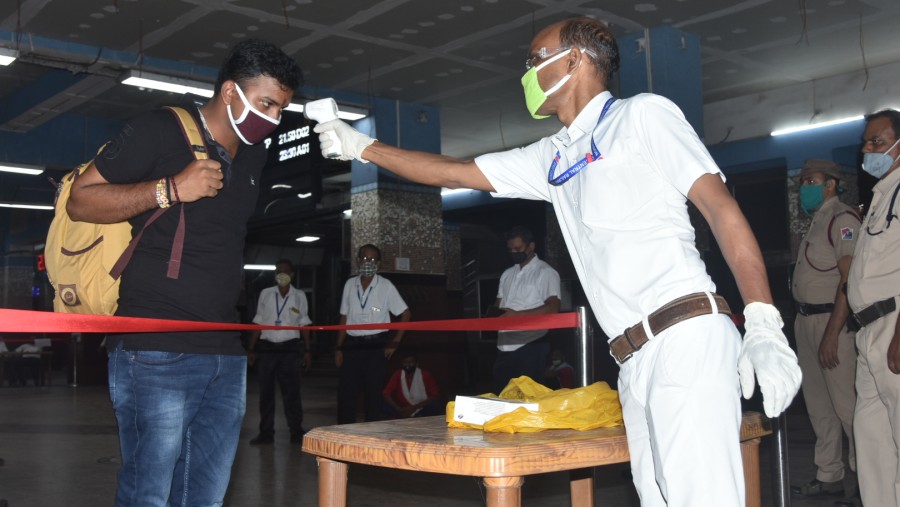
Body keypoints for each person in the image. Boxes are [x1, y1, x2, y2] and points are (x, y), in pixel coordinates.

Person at [313, 17, 801, 505]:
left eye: (535, 59)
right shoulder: (553, 157)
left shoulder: (642, 115)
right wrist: (362, 146)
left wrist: (762, 319)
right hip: (632, 360)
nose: (527, 73)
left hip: (684, 337)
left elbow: (720, 208)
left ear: (575, 60)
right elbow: (457, 172)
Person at [67, 39, 303, 506]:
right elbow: (81, 200)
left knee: (205, 498)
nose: (274, 118)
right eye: (267, 104)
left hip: (225, 352)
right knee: (149, 496)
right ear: (231, 91)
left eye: (282, 109)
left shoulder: (254, 154)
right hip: (155, 348)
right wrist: (170, 189)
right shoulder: (161, 129)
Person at [789, 159, 860, 500]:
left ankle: (867, 481)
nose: (804, 188)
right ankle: (829, 474)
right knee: (819, 406)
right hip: (807, 322)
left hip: (832, 322)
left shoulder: (842, 219)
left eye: (811, 181)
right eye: (803, 182)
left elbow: (849, 280)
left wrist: (832, 333)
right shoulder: (817, 221)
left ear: (830, 184)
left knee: (847, 407)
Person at [845, 108, 900, 507]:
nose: (868, 149)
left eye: (877, 142)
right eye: (865, 143)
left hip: (893, 325)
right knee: (872, 442)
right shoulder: (880, 196)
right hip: (867, 332)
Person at [335, 244, 412, 423]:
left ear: (378, 263)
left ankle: (371, 433)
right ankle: (343, 433)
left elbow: (406, 313)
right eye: (364, 258)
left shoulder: (386, 286)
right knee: (346, 393)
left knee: (373, 394)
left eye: (372, 259)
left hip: (376, 347)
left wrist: (394, 343)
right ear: (357, 261)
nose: (367, 262)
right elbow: (344, 316)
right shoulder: (349, 284)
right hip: (352, 345)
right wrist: (338, 347)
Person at [247, 259, 313, 445]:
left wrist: (308, 350)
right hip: (267, 349)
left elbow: (304, 323)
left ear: (292, 274)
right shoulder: (266, 294)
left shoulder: (299, 296)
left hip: (290, 349)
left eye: (285, 271)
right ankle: (266, 432)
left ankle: (296, 431)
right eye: (278, 271)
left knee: (292, 393)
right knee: (266, 393)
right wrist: (251, 349)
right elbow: (258, 321)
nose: (281, 274)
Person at [489, 226, 561, 394]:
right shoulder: (507, 274)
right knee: (502, 397)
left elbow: (553, 308)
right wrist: (493, 315)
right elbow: (499, 304)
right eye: (511, 250)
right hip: (504, 346)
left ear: (531, 246)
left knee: (529, 399)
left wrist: (517, 316)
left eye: (518, 248)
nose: (514, 252)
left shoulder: (546, 272)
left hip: (531, 345)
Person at [382, 352, 441, 418]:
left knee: (435, 405)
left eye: (411, 362)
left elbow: (435, 395)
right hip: (402, 409)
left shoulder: (425, 375)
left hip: (421, 407)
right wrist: (399, 409)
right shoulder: (398, 374)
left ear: (416, 364)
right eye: (405, 362)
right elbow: (386, 393)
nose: (408, 365)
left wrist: (414, 408)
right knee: (383, 404)